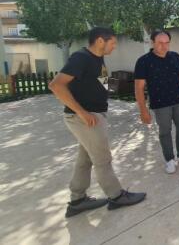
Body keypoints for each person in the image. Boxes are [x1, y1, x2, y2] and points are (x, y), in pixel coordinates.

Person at [49, 27, 146, 218]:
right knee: (103, 159)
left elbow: (103, 82)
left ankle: (77, 200)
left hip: (95, 115)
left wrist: (111, 91)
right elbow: (56, 85)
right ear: (100, 40)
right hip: (85, 118)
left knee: (85, 160)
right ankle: (116, 196)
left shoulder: (98, 59)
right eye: (113, 42)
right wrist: (83, 113)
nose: (115, 46)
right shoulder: (81, 57)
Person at [134, 29, 179, 174]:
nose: (164, 46)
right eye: (160, 43)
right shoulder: (143, 61)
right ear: (152, 42)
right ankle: (169, 160)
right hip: (160, 103)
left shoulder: (175, 57)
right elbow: (139, 88)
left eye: (167, 43)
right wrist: (143, 111)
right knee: (165, 132)